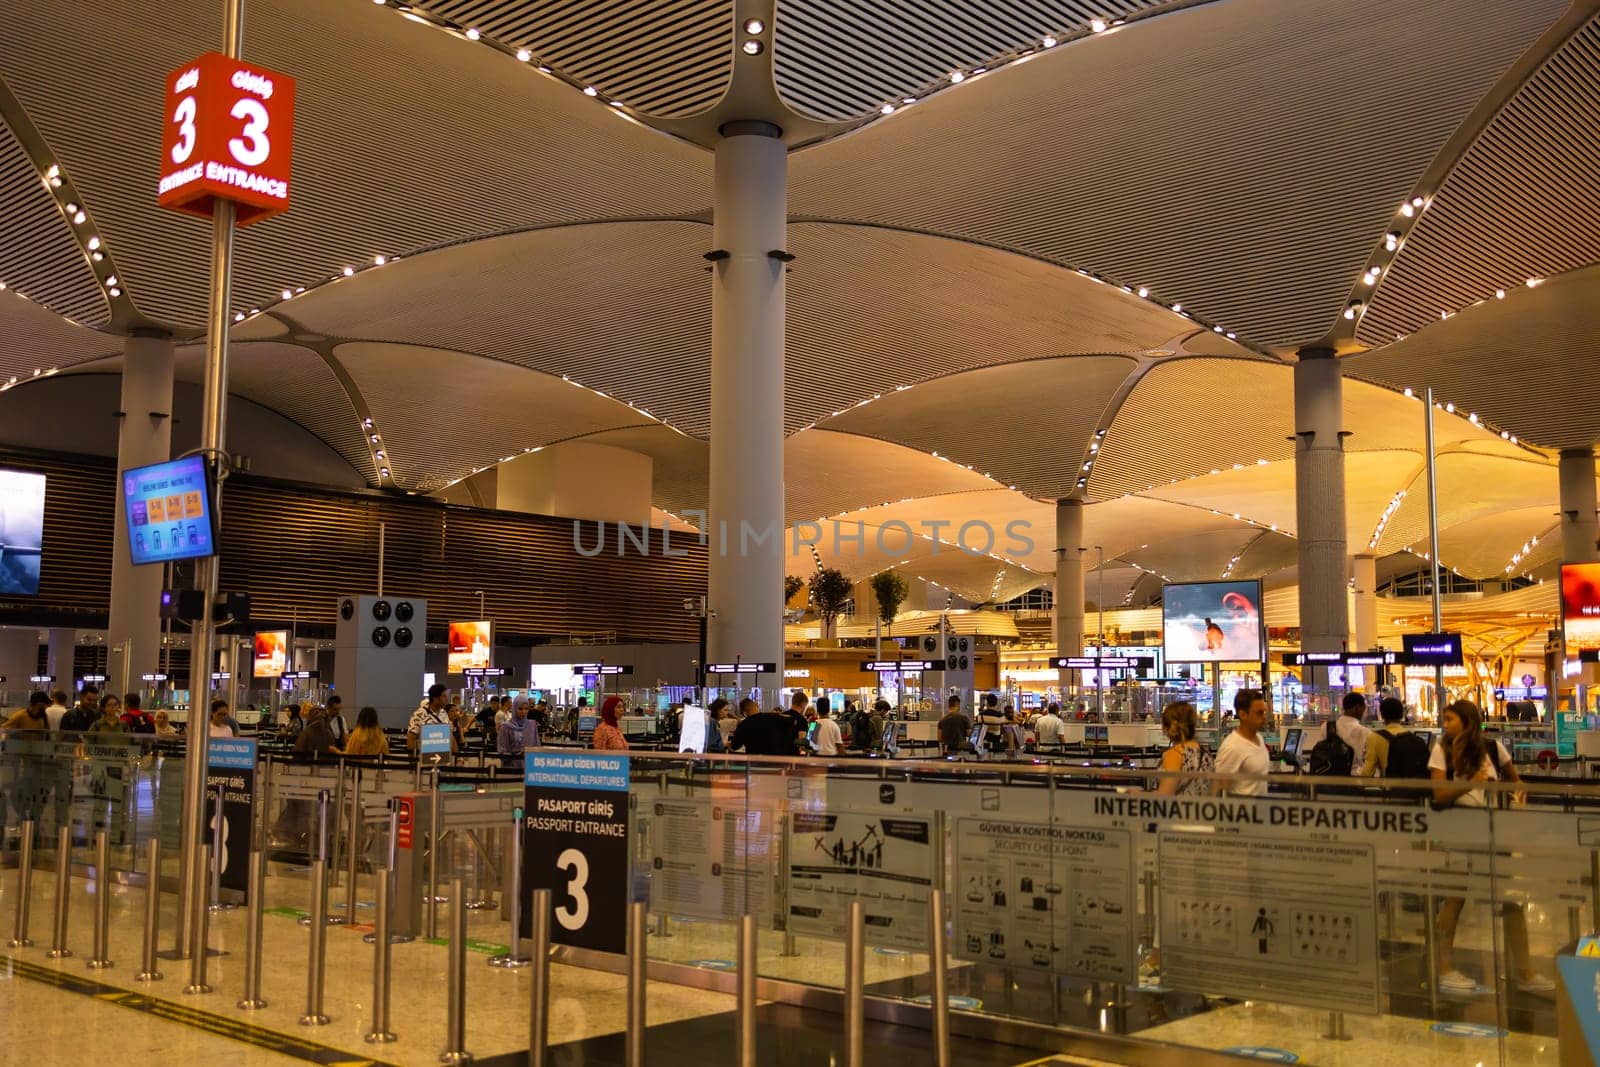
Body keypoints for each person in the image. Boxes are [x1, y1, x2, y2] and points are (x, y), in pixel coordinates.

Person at [1429, 699, 1555, 994]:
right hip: (1460, 831)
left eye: (1450, 719)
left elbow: (1515, 781)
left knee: (1509, 899)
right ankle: (1444, 966)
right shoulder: (1442, 750)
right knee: (1454, 898)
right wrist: (1469, 782)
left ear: (1467, 720)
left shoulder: (1493, 749)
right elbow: (1439, 794)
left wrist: (1517, 796)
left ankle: (1523, 970)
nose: (1445, 725)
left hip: (1494, 831)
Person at [1214, 689, 1269, 796]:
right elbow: (1219, 788)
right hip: (1241, 810)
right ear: (1243, 714)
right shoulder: (1232, 747)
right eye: (1259, 713)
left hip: (1260, 809)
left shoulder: (1259, 738)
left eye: (1264, 712)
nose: (1264, 717)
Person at [1360, 697, 1430, 779]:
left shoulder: (1374, 737)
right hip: (1416, 788)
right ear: (1402, 714)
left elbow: (1367, 772)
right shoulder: (1416, 739)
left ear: (1382, 715)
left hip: (1392, 788)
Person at [1155, 701, 1214, 796]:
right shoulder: (1206, 754)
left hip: (1179, 809)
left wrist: (1134, 794)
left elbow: (1164, 797)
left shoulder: (1174, 755)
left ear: (1166, 727)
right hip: (1202, 809)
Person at [729, 698, 795, 755]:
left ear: (744, 712)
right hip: (775, 761)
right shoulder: (772, 717)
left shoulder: (743, 724)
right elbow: (792, 720)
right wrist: (779, 714)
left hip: (753, 763)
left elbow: (734, 747)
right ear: (756, 705)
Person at [407, 684, 451, 753]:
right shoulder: (419, 714)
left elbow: (448, 735)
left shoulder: (443, 713)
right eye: (444, 696)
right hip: (425, 757)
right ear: (435, 698)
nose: (447, 699)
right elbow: (411, 739)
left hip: (442, 756)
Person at [1335, 692, 1372, 774]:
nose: (1364, 713)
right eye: (1364, 708)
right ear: (1358, 708)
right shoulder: (1364, 732)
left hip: (1328, 777)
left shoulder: (1326, 727)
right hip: (1354, 778)